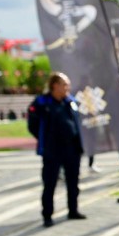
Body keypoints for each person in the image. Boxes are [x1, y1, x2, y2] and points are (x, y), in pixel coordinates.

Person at [27, 72, 86, 227]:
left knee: (73, 181)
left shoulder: (71, 101)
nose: (68, 88)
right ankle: (47, 215)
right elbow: (32, 125)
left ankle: (73, 210)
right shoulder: (41, 102)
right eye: (65, 84)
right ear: (55, 85)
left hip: (72, 149)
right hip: (52, 151)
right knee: (50, 183)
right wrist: (46, 139)